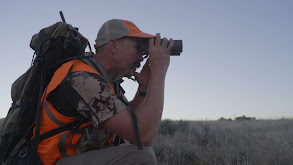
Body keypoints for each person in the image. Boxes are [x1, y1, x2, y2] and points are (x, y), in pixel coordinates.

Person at [35, 19, 174, 165]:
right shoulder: (82, 78)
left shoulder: (106, 81)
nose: (141, 57)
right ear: (113, 45)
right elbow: (143, 135)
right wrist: (160, 71)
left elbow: (128, 122)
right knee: (143, 155)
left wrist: (143, 89)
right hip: (52, 161)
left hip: (77, 156)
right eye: (138, 48)